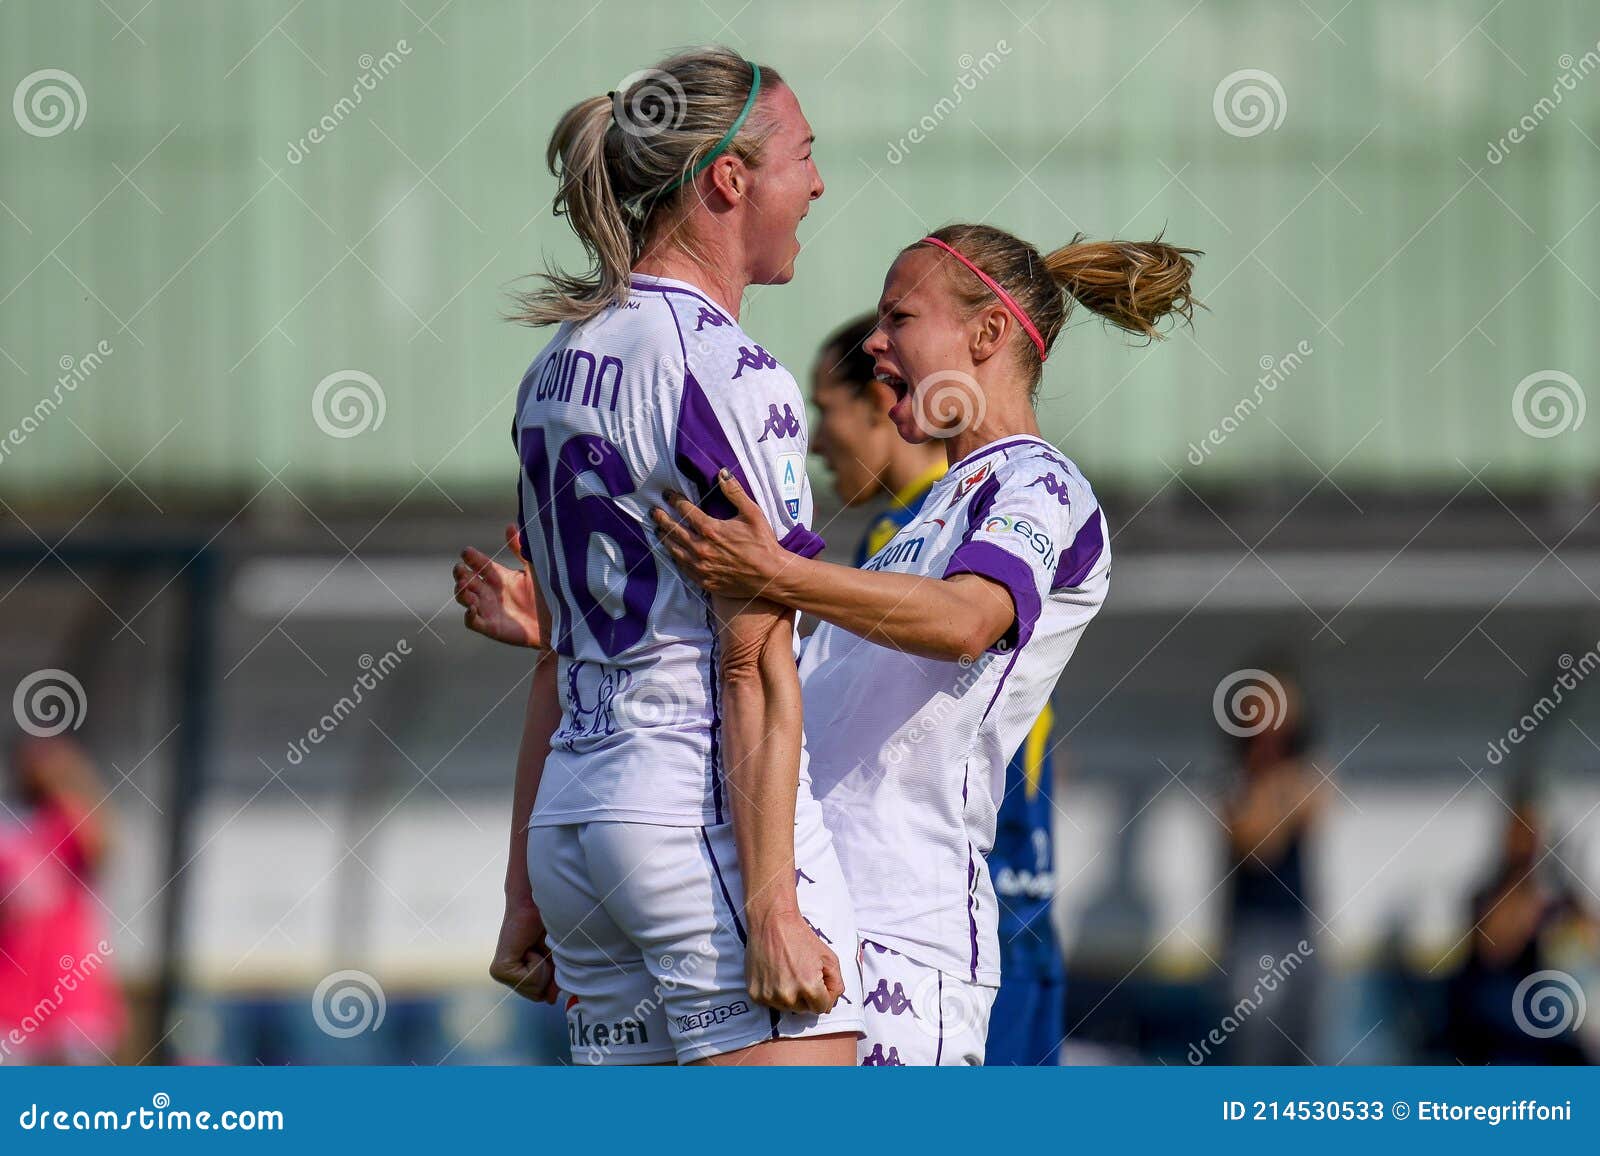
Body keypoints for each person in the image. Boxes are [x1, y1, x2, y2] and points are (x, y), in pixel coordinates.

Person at [461, 222, 1198, 1064]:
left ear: (988, 333)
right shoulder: (913, 525)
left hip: (908, 938)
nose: (875, 344)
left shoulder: (1041, 482)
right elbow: (791, 685)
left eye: (899, 318)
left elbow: (966, 621)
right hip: (820, 910)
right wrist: (569, 633)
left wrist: (777, 573)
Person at [478, 45, 862, 1066]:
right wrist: (772, 900)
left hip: (576, 829)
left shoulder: (553, 363)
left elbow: (559, 652)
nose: (818, 184)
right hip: (694, 823)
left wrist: (525, 888)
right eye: (804, 157)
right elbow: (752, 656)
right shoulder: (726, 368)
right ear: (729, 179)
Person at [809, 315, 1066, 1065]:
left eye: (825, 412)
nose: (817, 443)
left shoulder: (913, 529)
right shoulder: (981, 515)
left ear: (880, 399)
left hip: (943, 895)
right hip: (1016, 874)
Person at [1218, 668, 1323, 1064]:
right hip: (1251, 935)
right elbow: (1257, 846)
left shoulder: (1302, 770)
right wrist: (1281, 795)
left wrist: (1280, 798)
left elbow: (1318, 805)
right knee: (1253, 1051)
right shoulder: (1234, 778)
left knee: (1304, 1048)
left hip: (1298, 927)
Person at [0, 735, 125, 1064]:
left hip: (71, 991)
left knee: (73, 1104)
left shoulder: (71, 822)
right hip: (11, 997)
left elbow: (101, 849)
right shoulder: (10, 829)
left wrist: (69, 783)